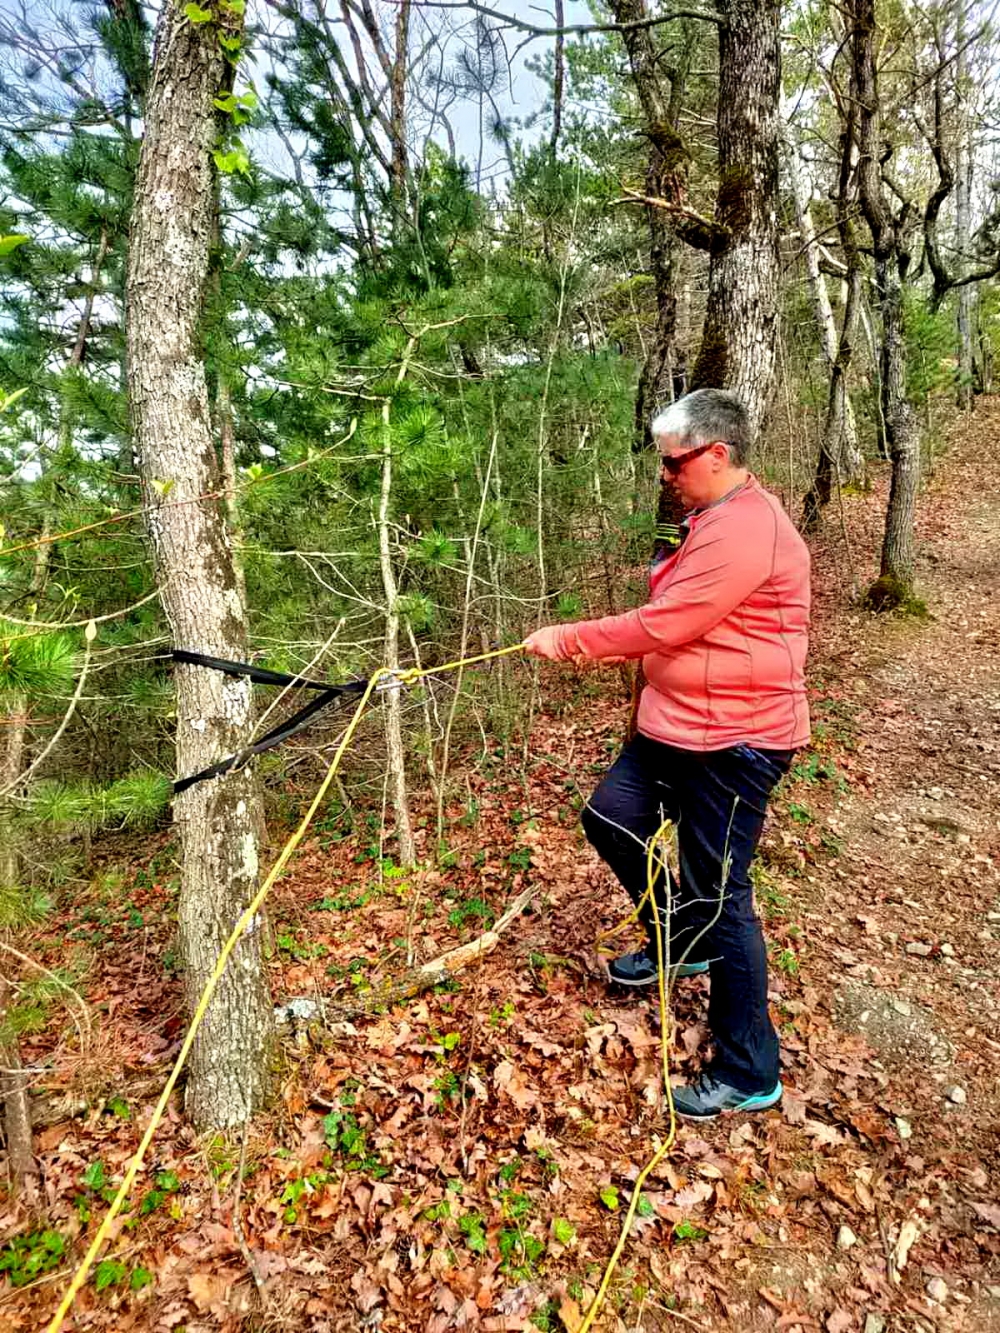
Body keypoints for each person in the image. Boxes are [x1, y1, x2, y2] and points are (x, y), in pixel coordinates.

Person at [524, 388, 810, 1120]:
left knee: (725, 901)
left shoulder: (750, 530)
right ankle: (675, 937)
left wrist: (573, 638)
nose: (665, 475)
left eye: (674, 462)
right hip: (673, 727)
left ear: (718, 455)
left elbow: (669, 621)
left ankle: (749, 1068)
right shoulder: (707, 518)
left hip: (735, 742)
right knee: (611, 816)